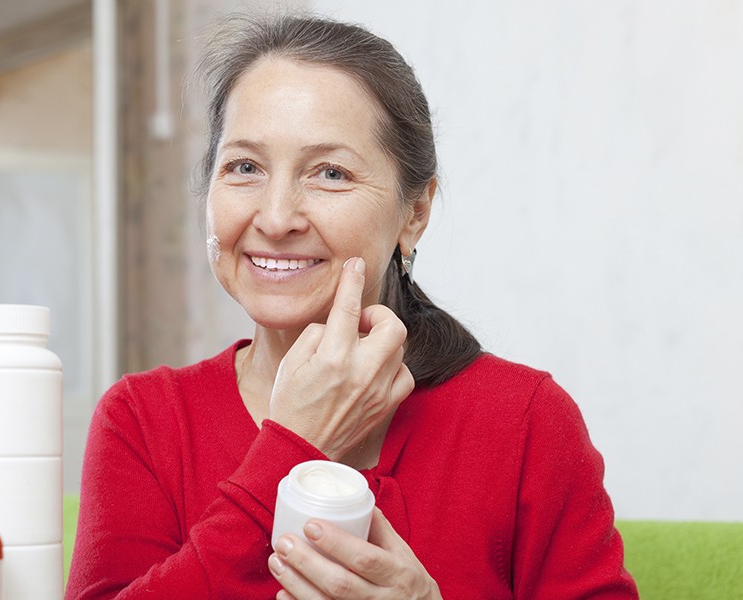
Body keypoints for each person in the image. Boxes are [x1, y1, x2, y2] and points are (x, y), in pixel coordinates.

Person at [66, 12, 638, 600]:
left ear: (414, 213)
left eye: (330, 173)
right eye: (244, 167)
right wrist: (295, 445)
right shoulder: (143, 420)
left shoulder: (525, 423)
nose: (276, 217)